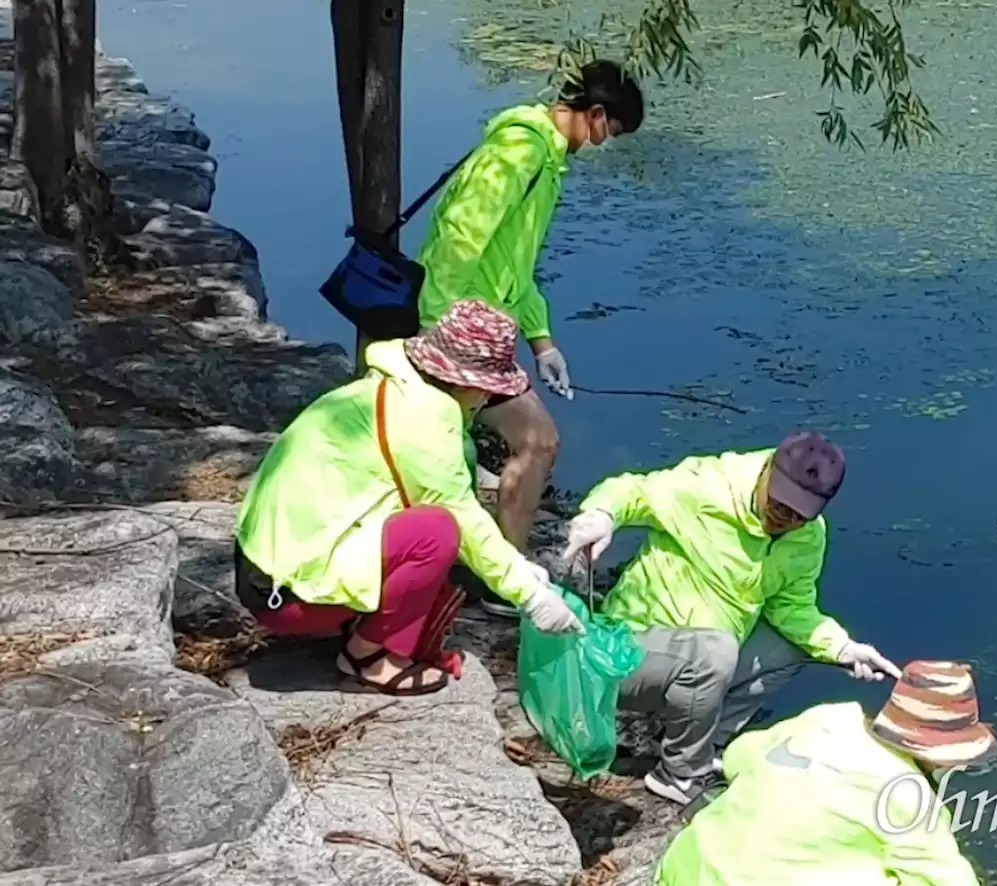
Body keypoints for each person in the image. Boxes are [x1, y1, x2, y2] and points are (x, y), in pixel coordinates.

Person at [233, 299, 585, 696]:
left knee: (436, 534)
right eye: (487, 392)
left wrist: (517, 569)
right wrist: (531, 594)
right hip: (288, 597)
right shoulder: (423, 419)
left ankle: (356, 625)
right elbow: (462, 518)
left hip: (265, 573)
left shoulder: (387, 388)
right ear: (467, 384)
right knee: (437, 533)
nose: (487, 401)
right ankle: (369, 657)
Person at [416, 60, 645, 619]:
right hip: (457, 331)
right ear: (594, 115)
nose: (600, 146)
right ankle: (500, 575)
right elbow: (460, 234)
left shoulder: (545, 159)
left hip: (483, 329)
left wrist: (542, 343)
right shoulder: (521, 150)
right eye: (607, 133)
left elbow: (517, 264)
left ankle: (486, 567)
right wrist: (435, 328)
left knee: (478, 450)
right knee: (535, 442)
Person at [560, 431, 901, 804]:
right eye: (780, 503)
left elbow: (792, 607)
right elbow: (632, 491)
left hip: (707, 664)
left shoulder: (808, 537)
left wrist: (844, 647)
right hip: (631, 654)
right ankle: (680, 775)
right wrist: (601, 515)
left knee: (792, 645)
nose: (783, 518)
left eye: (799, 514)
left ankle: (705, 741)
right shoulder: (708, 487)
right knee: (716, 650)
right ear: (768, 469)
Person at [654, 660, 993, 886]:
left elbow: (737, 758)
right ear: (943, 752)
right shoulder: (909, 796)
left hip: (682, 871)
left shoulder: (826, 719)